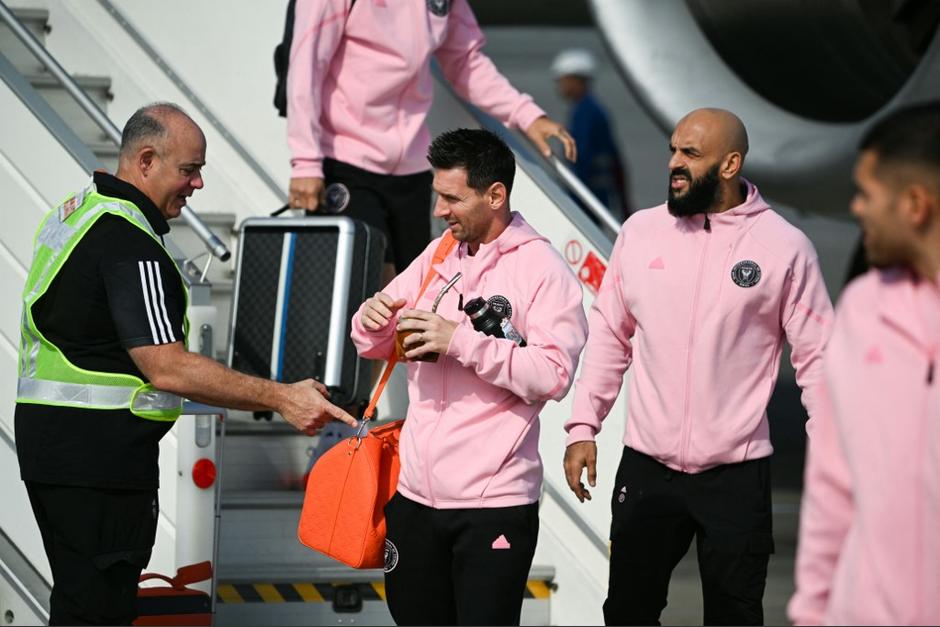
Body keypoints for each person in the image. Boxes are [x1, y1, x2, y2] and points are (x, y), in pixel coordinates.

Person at [14, 103, 356, 626]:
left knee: (79, 604)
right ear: (146, 160)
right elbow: (168, 368)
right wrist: (282, 396)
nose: (197, 185)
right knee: (97, 612)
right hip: (99, 467)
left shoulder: (80, 210)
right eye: (189, 170)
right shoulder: (131, 242)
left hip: (58, 453)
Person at [563, 108, 833, 626]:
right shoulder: (641, 233)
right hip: (647, 468)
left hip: (736, 472)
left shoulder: (784, 248)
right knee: (626, 612)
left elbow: (819, 364)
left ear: (730, 163)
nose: (674, 164)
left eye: (691, 154)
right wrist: (582, 427)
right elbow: (609, 338)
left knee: (735, 616)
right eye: (673, 150)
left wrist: (831, 464)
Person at [350, 128, 587, 625]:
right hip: (415, 497)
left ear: (495, 195)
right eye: (438, 195)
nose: (440, 209)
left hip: (493, 503)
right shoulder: (439, 255)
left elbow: (554, 374)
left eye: (452, 197)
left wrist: (458, 341)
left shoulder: (544, 269)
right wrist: (369, 319)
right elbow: (377, 340)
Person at [287, 0, 576, 283]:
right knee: (363, 284)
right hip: (344, 160)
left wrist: (527, 115)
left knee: (416, 289)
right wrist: (306, 164)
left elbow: (465, 62)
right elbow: (306, 66)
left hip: (411, 170)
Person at [788, 102, 940, 626]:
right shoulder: (862, 310)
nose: (856, 209)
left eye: (868, 194)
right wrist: (812, 611)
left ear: (915, 205)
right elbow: (833, 481)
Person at [552, 48, 630, 220]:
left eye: (563, 81)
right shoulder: (593, 110)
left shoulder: (585, 113)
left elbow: (582, 157)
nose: (560, 87)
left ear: (576, 80)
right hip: (597, 194)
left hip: (587, 196)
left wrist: (571, 196)